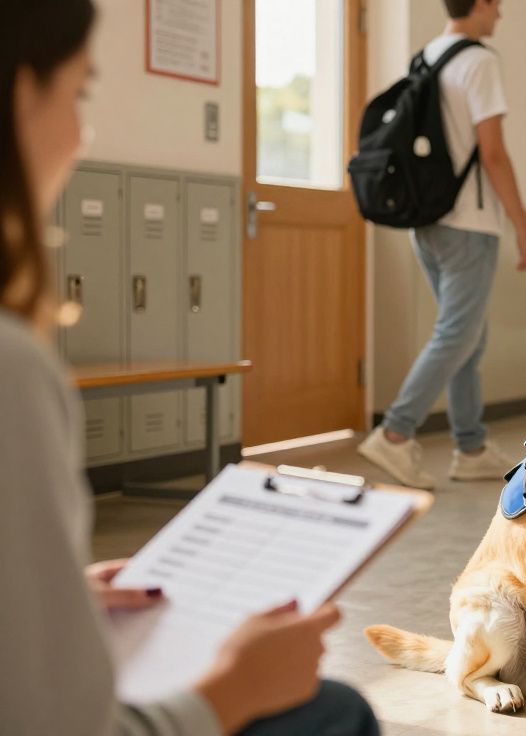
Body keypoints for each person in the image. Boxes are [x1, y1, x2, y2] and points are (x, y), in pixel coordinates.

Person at [0, 1, 379, 734]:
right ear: (21, 95)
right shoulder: (12, 368)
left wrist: (57, 598)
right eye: (77, 94)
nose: (82, 134)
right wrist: (229, 690)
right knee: (334, 711)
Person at [358, 0, 526, 489]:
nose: (499, 15)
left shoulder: (425, 57)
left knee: (466, 337)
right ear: (478, 5)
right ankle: (395, 434)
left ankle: (470, 446)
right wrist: (522, 227)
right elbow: (493, 153)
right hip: (469, 223)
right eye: (496, 6)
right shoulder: (479, 60)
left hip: (427, 220)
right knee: (458, 333)